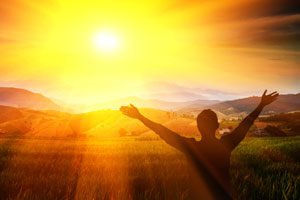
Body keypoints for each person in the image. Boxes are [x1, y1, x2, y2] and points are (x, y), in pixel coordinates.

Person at [120, 90, 278, 199]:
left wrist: (140, 117)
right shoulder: (226, 145)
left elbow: (163, 132)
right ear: (217, 126)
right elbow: (245, 125)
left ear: (197, 128)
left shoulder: (191, 147)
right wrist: (261, 105)